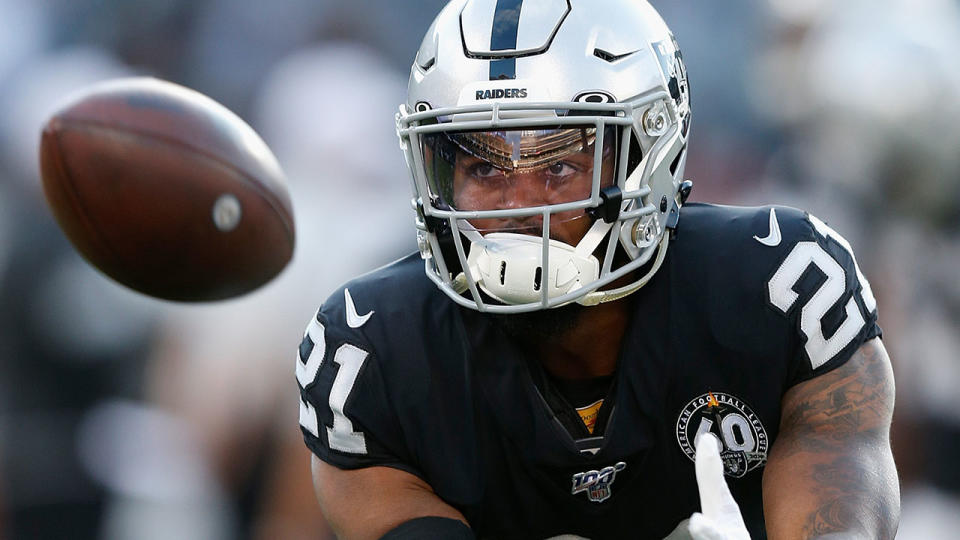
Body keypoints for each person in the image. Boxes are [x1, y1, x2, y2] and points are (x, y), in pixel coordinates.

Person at [294, 0, 899, 538]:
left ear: (647, 155)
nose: (519, 207)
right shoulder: (373, 353)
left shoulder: (779, 285)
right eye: (483, 169)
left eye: (558, 166)